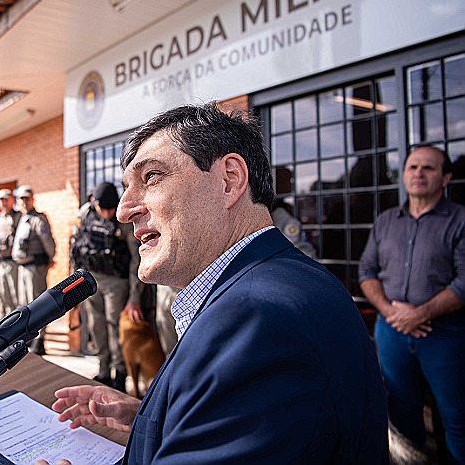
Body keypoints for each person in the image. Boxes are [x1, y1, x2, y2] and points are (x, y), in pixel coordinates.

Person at [48, 103, 388, 464]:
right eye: (126, 187)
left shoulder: (256, 319)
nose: (124, 209)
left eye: (151, 177)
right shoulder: (280, 282)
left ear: (229, 179)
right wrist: (155, 420)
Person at [359, 145, 465, 463]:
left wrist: (420, 314)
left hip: (444, 333)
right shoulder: (386, 221)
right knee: (401, 413)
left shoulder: (460, 220)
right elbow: (366, 271)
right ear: (404, 175)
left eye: (428, 168)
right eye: (413, 167)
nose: (419, 173)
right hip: (391, 331)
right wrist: (392, 312)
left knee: (456, 415)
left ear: (446, 178)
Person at [71, 181, 142, 391]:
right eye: (104, 209)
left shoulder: (124, 219)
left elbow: (136, 259)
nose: (109, 214)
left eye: (112, 209)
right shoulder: (86, 213)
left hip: (116, 282)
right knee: (96, 325)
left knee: (114, 326)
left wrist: (135, 297)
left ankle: (119, 374)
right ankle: (103, 371)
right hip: (91, 278)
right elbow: (76, 246)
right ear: (95, 203)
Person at [12, 185, 55, 355]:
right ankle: (29, 337)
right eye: (21, 199)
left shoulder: (38, 219)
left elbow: (49, 244)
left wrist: (48, 260)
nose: (23, 202)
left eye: (26, 199)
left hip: (34, 268)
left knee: (36, 305)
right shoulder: (23, 218)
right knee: (25, 304)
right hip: (23, 268)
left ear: (32, 199)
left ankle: (40, 340)